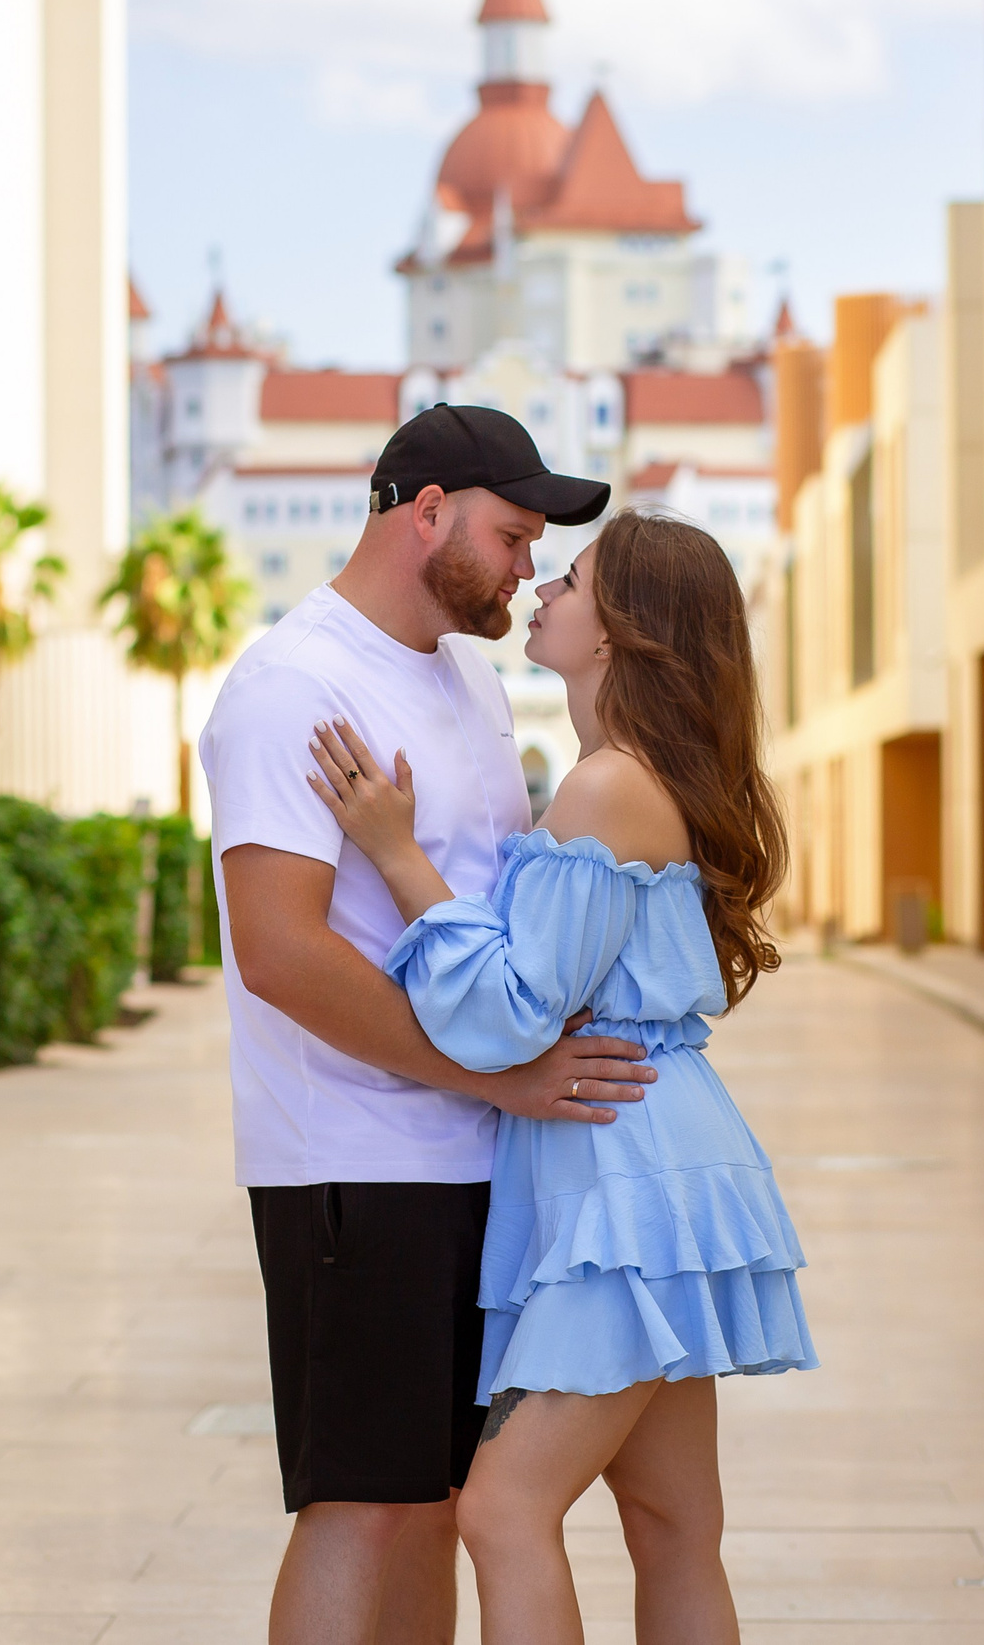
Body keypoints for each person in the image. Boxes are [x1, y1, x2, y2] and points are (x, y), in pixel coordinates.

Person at [305, 506, 814, 1645]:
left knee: (503, 1510)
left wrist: (395, 856)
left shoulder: (605, 789)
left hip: (623, 1172)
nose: (542, 588)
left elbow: (508, 1014)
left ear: (623, 629)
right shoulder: (628, 779)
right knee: (674, 1523)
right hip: (654, 1158)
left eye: (572, 580)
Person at [199, 404, 660, 1645]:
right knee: (364, 1505)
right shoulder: (294, 684)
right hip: (356, 1161)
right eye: (513, 538)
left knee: (446, 1498)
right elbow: (282, 952)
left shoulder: (463, 676)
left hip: (480, 1164)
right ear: (428, 513)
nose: (526, 569)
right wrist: (492, 1076)